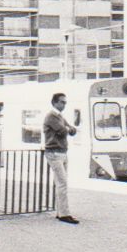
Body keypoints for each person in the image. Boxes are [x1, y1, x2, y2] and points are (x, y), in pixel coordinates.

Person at [44, 93, 78, 224]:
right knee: (62, 183)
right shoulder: (51, 117)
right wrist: (68, 129)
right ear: (54, 102)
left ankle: (61, 212)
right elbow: (63, 131)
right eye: (62, 102)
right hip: (54, 153)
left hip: (62, 152)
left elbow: (72, 130)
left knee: (61, 183)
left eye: (65, 102)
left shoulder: (59, 116)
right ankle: (64, 214)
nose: (64, 105)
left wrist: (68, 129)